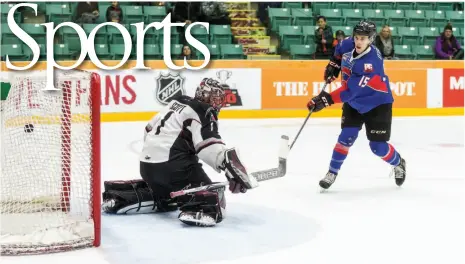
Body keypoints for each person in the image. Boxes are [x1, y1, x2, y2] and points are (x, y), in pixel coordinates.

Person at [102, 78, 257, 227]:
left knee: (168, 195)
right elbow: (208, 147)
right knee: (213, 195)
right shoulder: (204, 111)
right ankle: (199, 208)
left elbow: (148, 129)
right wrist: (230, 167)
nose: (217, 103)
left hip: (146, 167)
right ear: (206, 97)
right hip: (173, 169)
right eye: (215, 98)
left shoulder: (178, 101)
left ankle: (125, 198)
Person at [308, 20, 406, 190]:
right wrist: (333, 64)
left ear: (371, 39)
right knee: (346, 137)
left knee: (378, 147)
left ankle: (398, 162)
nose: (359, 41)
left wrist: (324, 100)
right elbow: (338, 51)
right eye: (357, 37)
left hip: (377, 103)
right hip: (354, 103)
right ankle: (332, 172)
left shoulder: (371, 63)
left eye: (363, 38)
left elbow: (349, 91)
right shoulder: (349, 43)